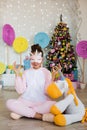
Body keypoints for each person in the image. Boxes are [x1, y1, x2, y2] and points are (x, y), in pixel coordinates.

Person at [6, 44, 56, 120]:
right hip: (25, 101)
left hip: (41, 102)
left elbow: (47, 91)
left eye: (38, 59)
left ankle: (23, 112)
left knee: (54, 105)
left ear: (42, 59)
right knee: (9, 103)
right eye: (33, 59)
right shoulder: (26, 72)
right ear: (30, 59)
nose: (35, 62)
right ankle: (40, 116)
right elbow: (20, 90)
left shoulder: (46, 72)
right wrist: (17, 74)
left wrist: (52, 78)